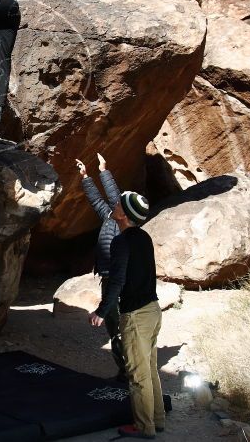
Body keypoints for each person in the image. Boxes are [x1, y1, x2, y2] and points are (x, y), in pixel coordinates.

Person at [88, 191, 165, 440]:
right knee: (150, 369)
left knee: (137, 375)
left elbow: (117, 279)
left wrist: (103, 310)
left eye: (119, 204)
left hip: (136, 316)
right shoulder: (145, 237)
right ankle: (158, 420)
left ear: (124, 215)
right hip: (153, 310)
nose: (115, 205)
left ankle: (144, 427)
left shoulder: (121, 242)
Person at [75, 153, 126, 381]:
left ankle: (129, 373)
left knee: (119, 327)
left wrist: (104, 170)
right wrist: (86, 176)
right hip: (108, 278)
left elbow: (114, 196)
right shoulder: (110, 217)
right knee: (114, 329)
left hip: (117, 280)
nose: (114, 205)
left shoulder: (123, 224)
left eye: (119, 205)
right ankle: (124, 371)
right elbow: (97, 201)